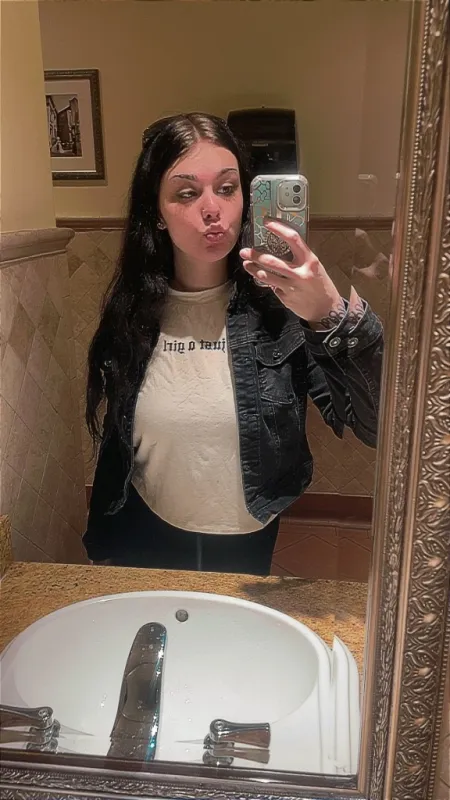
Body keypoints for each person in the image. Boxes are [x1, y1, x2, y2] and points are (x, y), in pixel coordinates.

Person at [83, 113, 383, 575]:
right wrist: (100, 539)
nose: (212, 209)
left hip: (247, 534)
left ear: (246, 198)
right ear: (156, 212)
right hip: (142, 527)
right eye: (187, 193)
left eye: (227, 188)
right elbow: (119, 441)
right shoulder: (134, 312)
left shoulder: (283, 313)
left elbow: (377, 425)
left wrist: (330, 313)